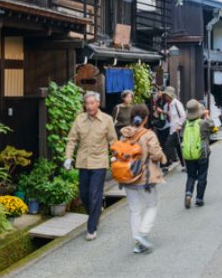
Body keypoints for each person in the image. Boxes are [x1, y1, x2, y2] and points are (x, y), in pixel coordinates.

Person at [63, 91, 117, 240]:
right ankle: (96, 210)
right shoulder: (79, 119)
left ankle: (91, 229)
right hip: (83, 162)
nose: (89, 106)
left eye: (92, 103)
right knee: (84, 195)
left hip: (99, 162)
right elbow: (72, 139)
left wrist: (115, 156)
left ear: (98, 104)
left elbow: (113, 140)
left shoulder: (107, 120)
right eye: (87, 103)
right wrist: (68, 157)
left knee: (94, 194)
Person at [119, 104, 166, 254]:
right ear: (145, 119)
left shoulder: (124, 134)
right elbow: (156, 154)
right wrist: (162, 157)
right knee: (152, 205)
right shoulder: (149, 134)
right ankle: (142, 234)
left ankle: (137, 241)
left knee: (134, 209)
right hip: (144, 178)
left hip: (128, 177)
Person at [181, 99, 212, 208]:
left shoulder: (185, 123)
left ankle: (188, 193)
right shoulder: (203, 123)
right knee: (202, 176)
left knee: (191, 176)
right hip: (202, 153)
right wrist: (207, 116)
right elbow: (214, 127)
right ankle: (199, 198)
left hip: (188, 154)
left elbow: (181, 136)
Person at [163, 86, 186, 171]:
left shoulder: (176, 103)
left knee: (168, 145)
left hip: (176, 129)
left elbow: (183, 115)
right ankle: (184, 165)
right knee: (178, 147)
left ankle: (165, 165)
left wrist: (179, 125)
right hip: (172, 129)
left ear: (170, 95)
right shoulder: (170, 104)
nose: (165, 97)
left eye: (166, 95)